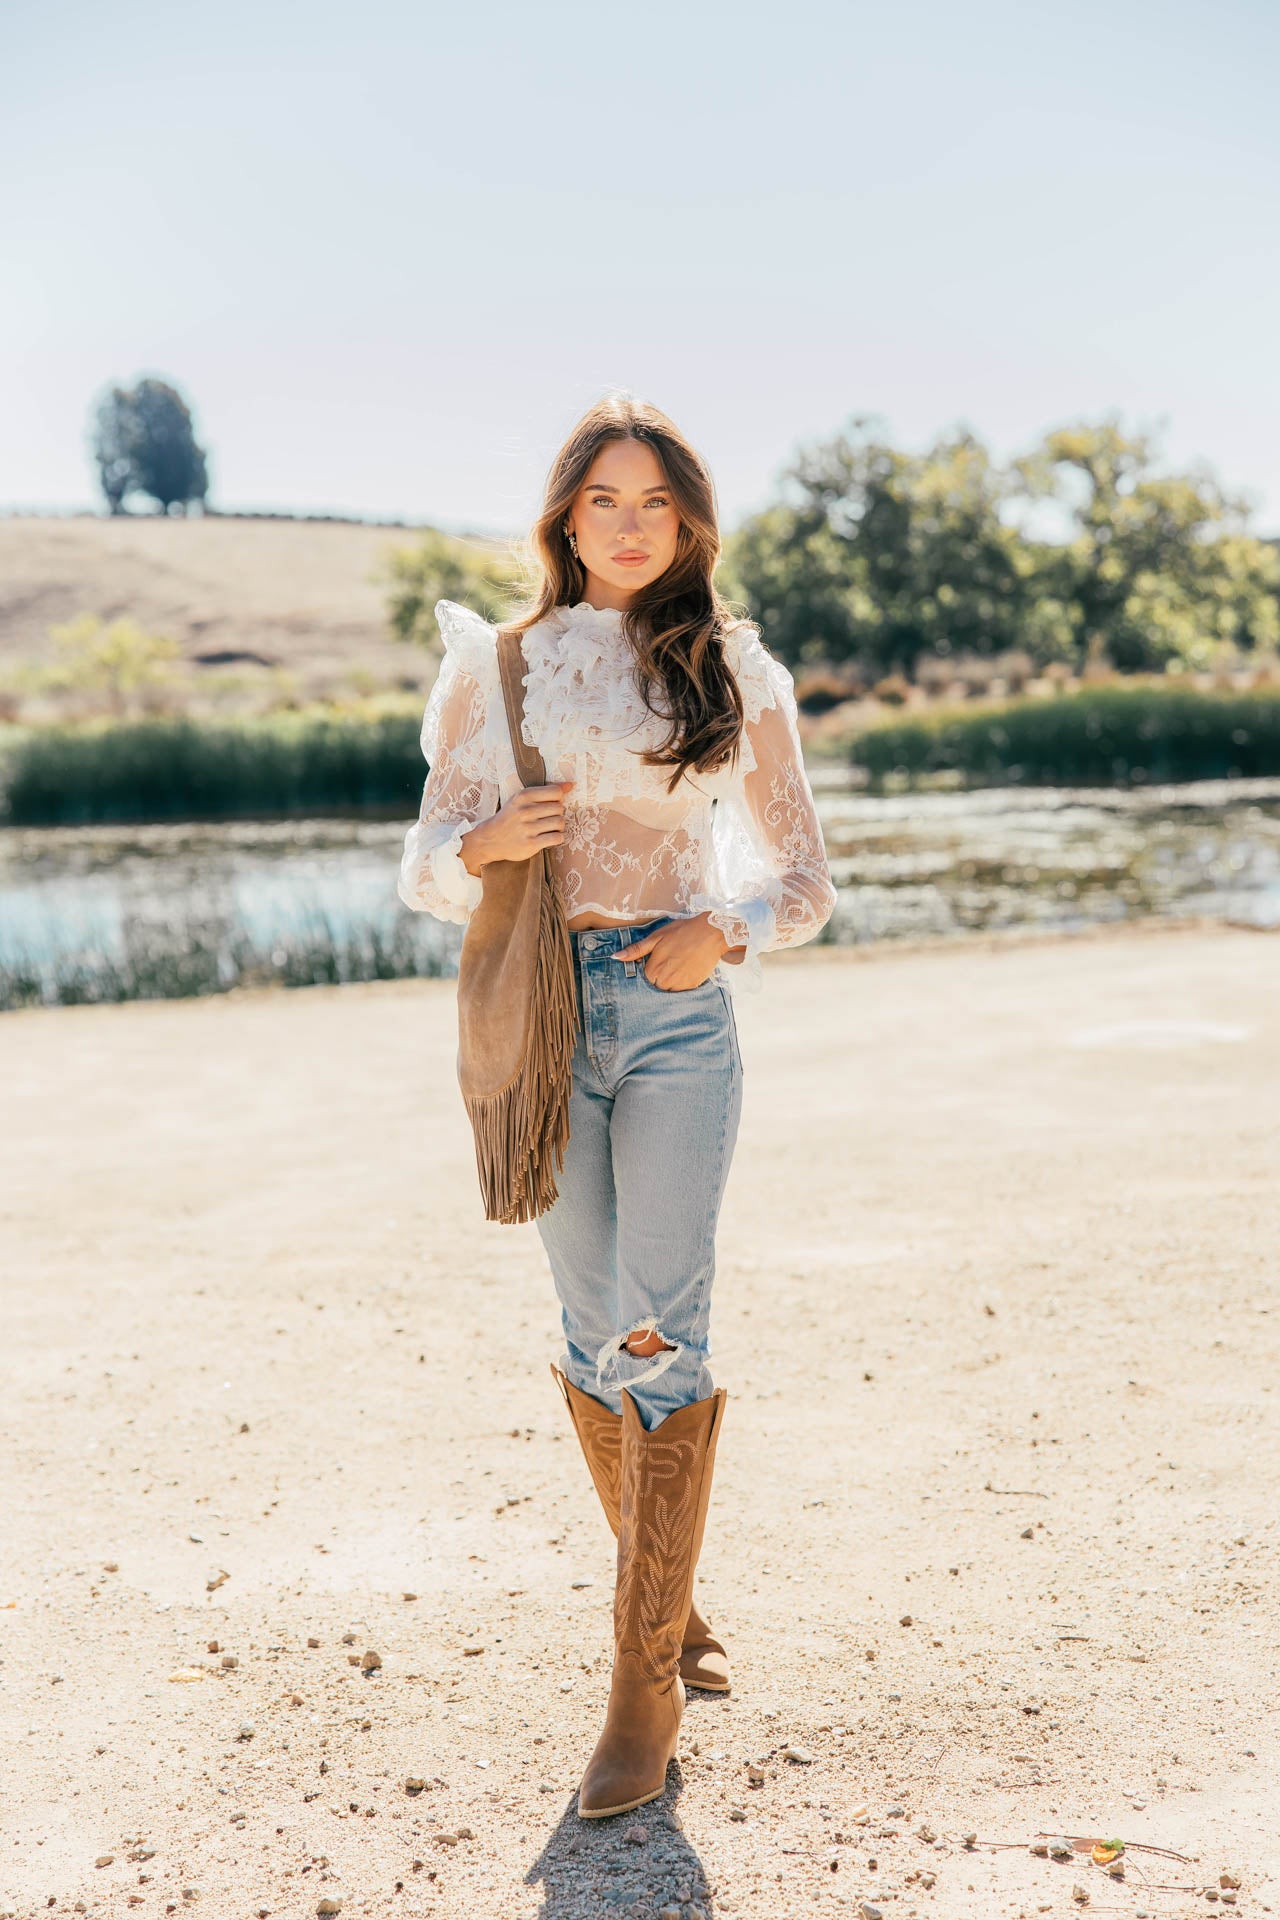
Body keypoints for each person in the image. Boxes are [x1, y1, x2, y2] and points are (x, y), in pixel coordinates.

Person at [397, 391, 837, 1819]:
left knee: (663, 1328)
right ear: (566, 519)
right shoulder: (499, 666)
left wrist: (725, 930)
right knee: (595, 1329)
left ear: (690, 524)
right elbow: (424, 863)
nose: (632, 526)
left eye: (657, 502)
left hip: (674, 1019)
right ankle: (676, 1603)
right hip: (542, 1018)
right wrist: (487, 840)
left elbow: (805, 879)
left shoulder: (730, 668)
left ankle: (642, 1689)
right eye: (607, 501)